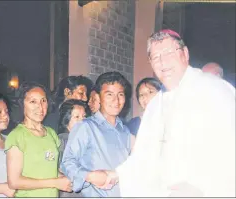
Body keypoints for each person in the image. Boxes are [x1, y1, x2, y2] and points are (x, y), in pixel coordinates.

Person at [100, 29, 236, 197]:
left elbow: (229, 151)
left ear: (185, 54)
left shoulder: (215, 91)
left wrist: (202, 188)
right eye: (156, 57)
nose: (163, 62)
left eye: (169, 53)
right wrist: (116, 174)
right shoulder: (155, 105)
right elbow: (143, 153)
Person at [60, 72, 132, 197]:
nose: (116, 100)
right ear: (98, 98)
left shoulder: (125, 131)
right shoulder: (85, 127)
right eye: (109, 94)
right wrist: (90, 176)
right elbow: (67, 163)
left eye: (120, 94)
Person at [5, 82, 72, 197]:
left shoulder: (51, 133)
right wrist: (55, 182)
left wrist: (65, 178)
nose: (40, 107)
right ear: (22, 105)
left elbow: (48, 170)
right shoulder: (17, 136)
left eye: (43, 101)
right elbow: (14, 182)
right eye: (33, 102)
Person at [57, 99, 89, 197]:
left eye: (84, 116)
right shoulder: (62, 140)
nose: (82, 121)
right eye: (77, 117)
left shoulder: (84, 139)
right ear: (66, 120)